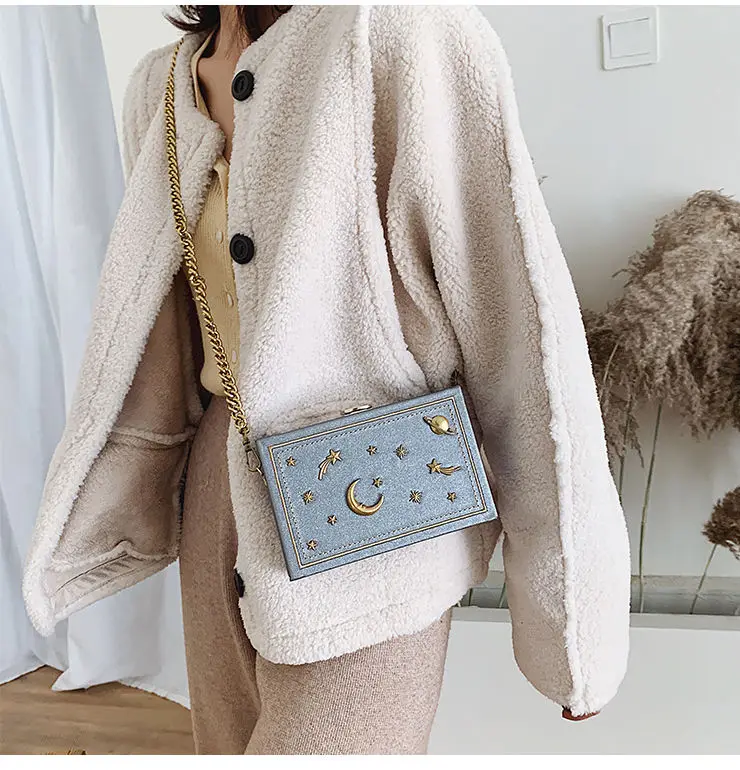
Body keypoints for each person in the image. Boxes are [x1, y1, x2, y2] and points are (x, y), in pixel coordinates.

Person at [23, 5, 631, 754]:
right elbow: (176, 322)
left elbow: (516, 330)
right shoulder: (161, 87)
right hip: (218, 486)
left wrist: (575, 618)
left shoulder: (401, 33)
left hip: (375, 499)